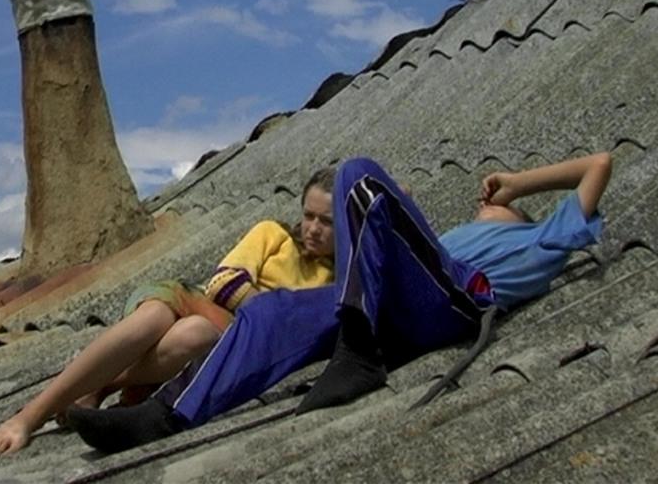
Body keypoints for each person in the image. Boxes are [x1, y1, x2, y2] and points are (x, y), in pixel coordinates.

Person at [64, 152, 612, 452]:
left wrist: (517, 185)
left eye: (493, 209)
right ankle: (164, 415)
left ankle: (356, 348)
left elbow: (598, 165)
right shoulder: (446, 243)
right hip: (391, 311)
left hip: (457, 303)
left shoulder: (543, 239)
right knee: (270, 311)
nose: (482, 207)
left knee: (356, 173)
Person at [0, 166, 338, 455]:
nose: (313, 228)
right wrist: (272, 310)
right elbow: (224, 283)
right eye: (308, 215)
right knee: (155, 318)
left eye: (327, 221)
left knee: (195, 334)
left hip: (225, 334)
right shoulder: (273, 234)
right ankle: (31, 415)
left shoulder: (335, 280)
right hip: (194, 300)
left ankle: (102, 383)